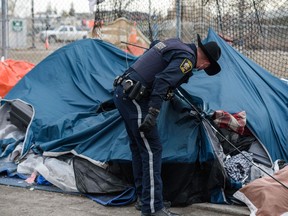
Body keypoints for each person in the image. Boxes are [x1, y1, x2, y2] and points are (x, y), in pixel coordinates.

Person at [113, 34, 221, 216]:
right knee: (151, 150)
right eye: (205, 68)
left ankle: (144, 198)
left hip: (123, 92)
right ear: (206, 63)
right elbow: (162, 81)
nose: (201, 69)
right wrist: (154, 111)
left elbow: (155, 48)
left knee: (140, 148)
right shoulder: (187, 59)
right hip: (135, 98)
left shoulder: (175, 43)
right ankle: (153, 208)